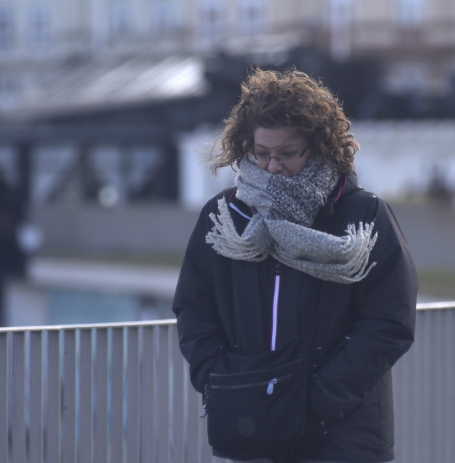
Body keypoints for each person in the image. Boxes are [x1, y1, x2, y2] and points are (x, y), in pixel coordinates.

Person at [172, 69, 417, 463]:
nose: (272, 167)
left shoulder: (363, 216)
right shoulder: (223, 219)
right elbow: (195, 309)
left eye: (287, 153)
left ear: (320, 146)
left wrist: (317, 399)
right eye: (261, 153)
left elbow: (390, 320)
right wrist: (218, 381)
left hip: (343, 435)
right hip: (250, 424)